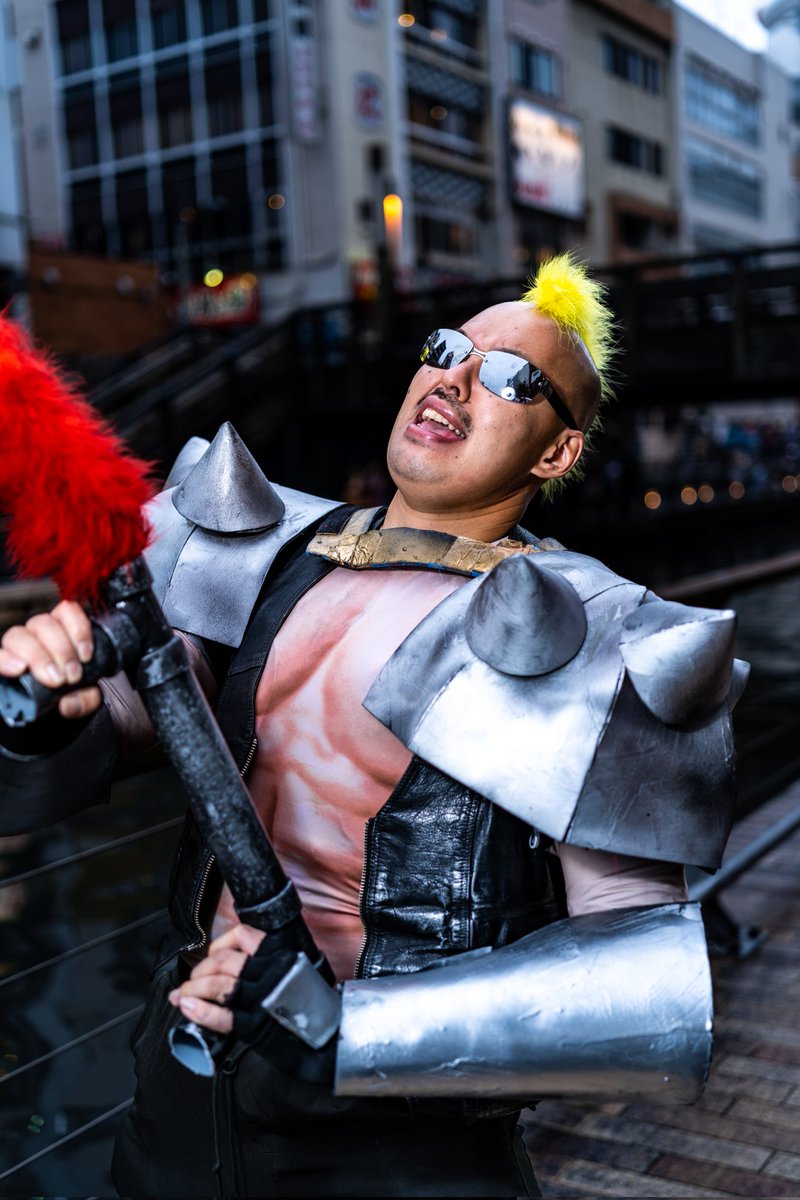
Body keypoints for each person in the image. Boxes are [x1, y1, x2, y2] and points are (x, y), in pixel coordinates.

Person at [0, 254, 743, 1198]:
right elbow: (141, 718)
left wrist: (343, 1032)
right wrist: (52, 702)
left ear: (558, 453)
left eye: (512, 377)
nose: (455, 378)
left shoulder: (597, 637)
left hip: (394, 1129)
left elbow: (641, 988)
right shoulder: (266, 551)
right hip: (185, 1080)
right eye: (446, 348)